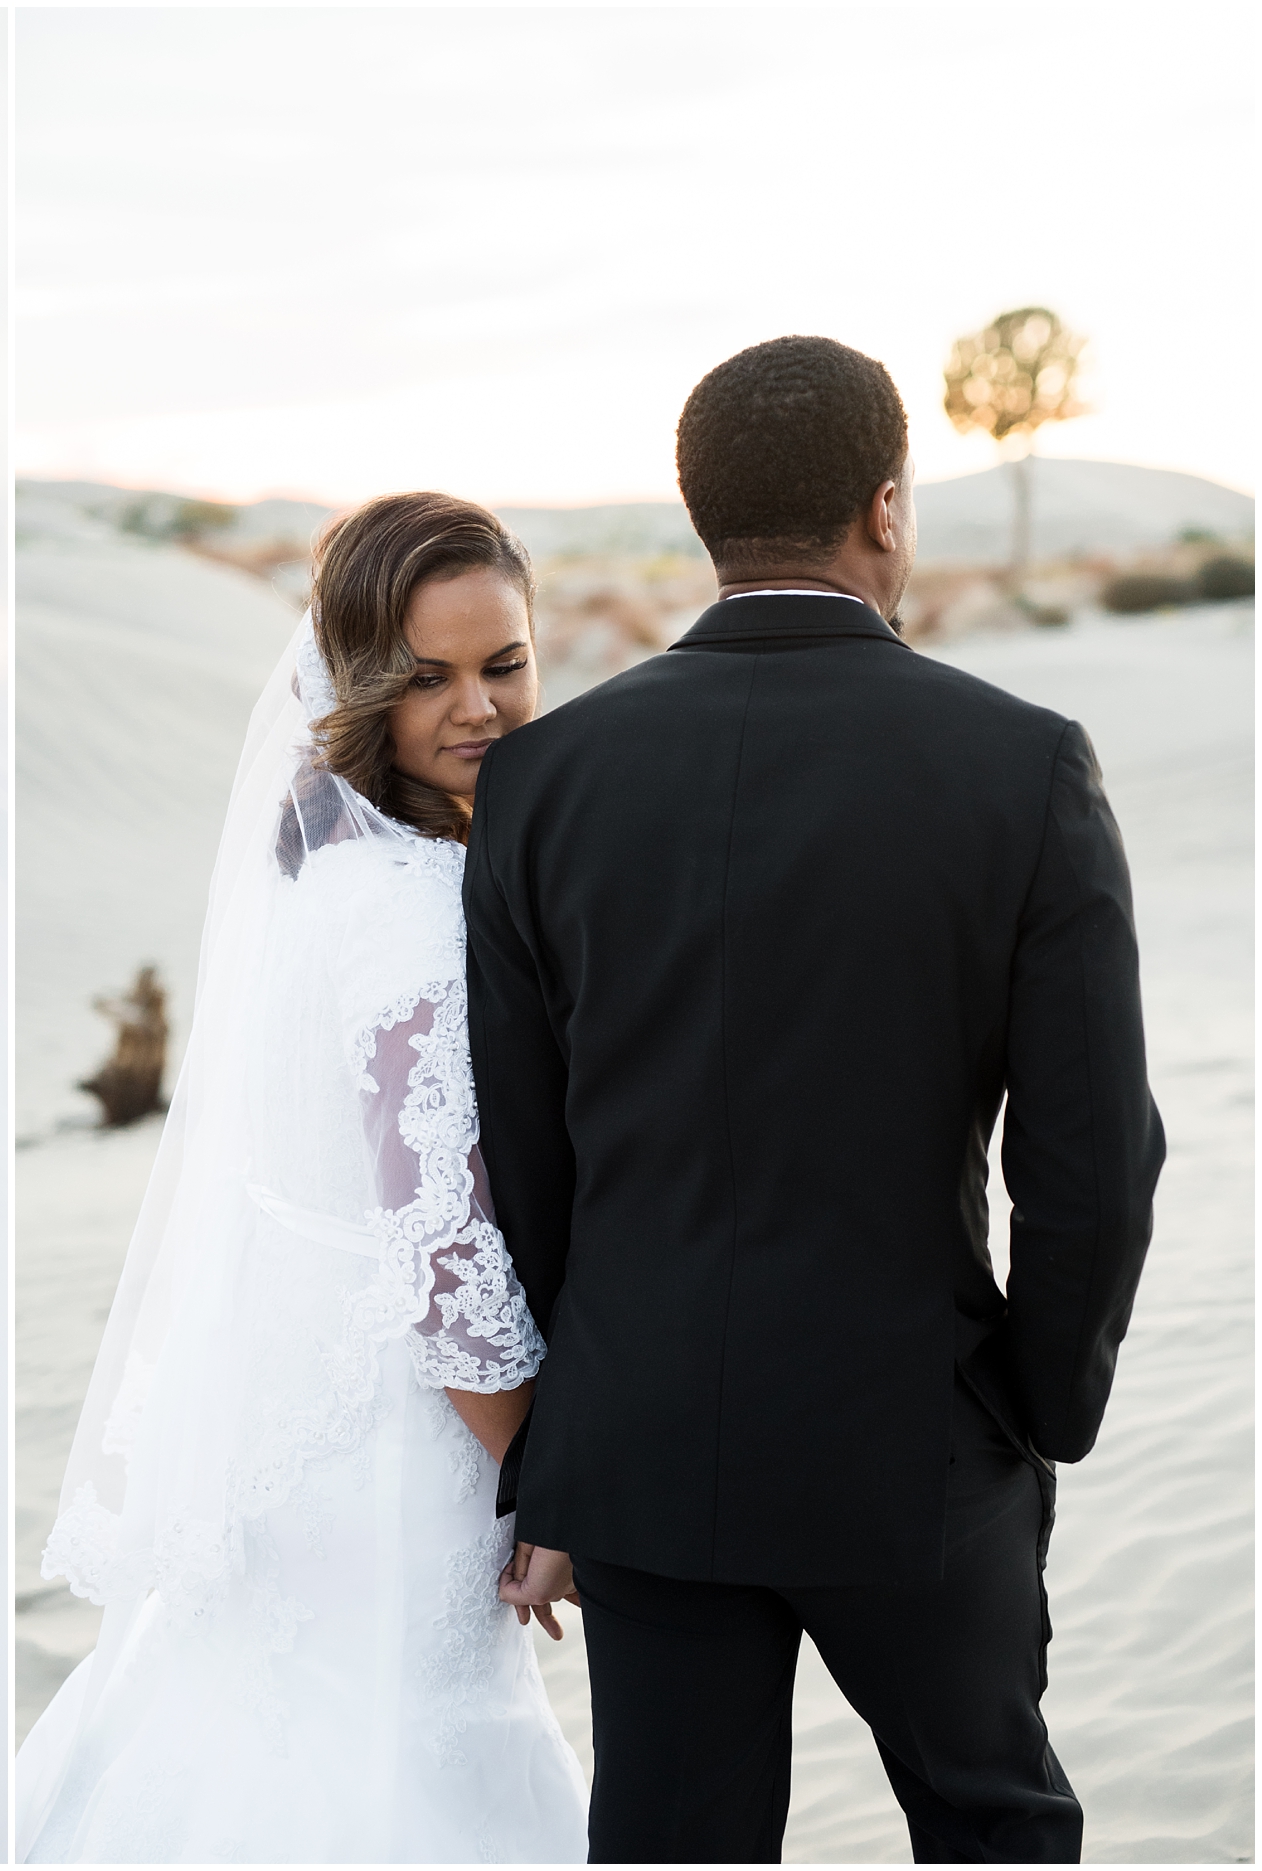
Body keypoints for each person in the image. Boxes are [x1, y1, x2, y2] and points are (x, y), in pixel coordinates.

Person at [470, 335, 1164, 1861]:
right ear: (889, 509)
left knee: (675, 1844)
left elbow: (520, 1162)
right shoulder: (1021, 767)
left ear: (704, 518)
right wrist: (1032, 1413)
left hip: (643, 1448)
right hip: (917, 1441)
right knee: (992, 1828)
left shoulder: (544, 783)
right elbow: (1097, 1162)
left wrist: (581, 1422)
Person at [13, 493, 586, 1862]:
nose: (479, 709)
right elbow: (442, 1255)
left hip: (293, 1432)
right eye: (425, 677)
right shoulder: (409, 915)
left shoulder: (333, 865)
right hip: (404, 1446)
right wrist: (553, 1489)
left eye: (503, 663)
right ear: (358, 686)